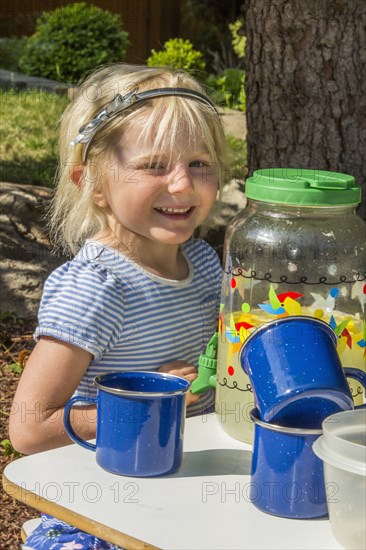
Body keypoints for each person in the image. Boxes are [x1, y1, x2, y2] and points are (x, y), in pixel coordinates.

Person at [9, 63, 227, 549]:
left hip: (186, 486)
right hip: (101, 505)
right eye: (153, 166)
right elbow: (28, 428)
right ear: (93, 184)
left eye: (199, 163)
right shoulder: (98, 288)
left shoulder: (203, 263)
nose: (182, 185)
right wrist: (153, 404)